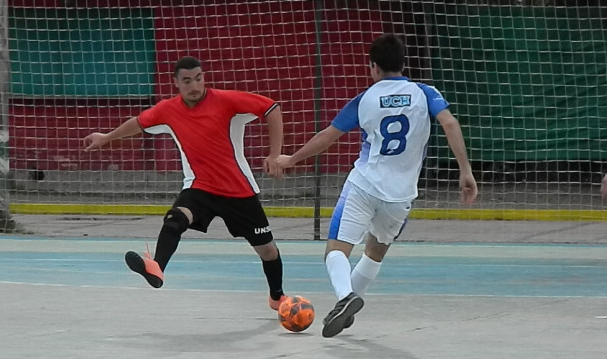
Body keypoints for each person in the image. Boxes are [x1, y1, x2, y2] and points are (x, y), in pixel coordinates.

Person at [276, 34, 479, 337]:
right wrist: (465, 171)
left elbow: (328, 137)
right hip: (401, 195)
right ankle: (347, 302)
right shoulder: (425, 93)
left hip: (364, 185)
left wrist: (291, 159)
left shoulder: (366, 99)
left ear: (373, 67)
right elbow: (450, 124)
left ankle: (346, 297)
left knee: (335, 251)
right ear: (403, 63)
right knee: (374, 252)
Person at [83, 56, 287, 310]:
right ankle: (156, 267)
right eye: (187, 81)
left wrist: (274, 154)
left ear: (204, 77)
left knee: (268, 251)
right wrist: (106, 138)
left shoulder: (227, 101)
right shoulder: (168, 109)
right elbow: (137, 123)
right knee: (175, 219)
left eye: (198, 78)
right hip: (200, 187)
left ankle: (277, 297)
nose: (194, 86)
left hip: (238, 192)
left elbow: (271, 108)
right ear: (176, 83)